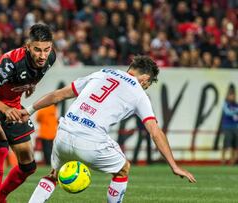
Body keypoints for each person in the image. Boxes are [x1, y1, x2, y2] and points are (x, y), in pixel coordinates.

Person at [21, 56, 196, 203]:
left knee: (53, 175)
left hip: (64, 133)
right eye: (147, 84)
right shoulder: (139, 93)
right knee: (123, 168)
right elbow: (155, 131)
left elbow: (57, 95)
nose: (145, 87)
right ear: (144, 79)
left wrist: (28, 110)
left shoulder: (102, 73)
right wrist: (174, 166)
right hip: (90, 140)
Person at [0, 23, 56, 203]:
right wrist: (6, 109)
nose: (42, 55)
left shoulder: (50, 59)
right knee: (0, 146)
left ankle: (2, 196)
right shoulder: (10, 63)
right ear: (28, 46)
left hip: (12, 105)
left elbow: (32, 75)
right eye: (37, 50)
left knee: (28, 165)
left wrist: (29, 86)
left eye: (46, 49)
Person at [221, 85, 238, 165]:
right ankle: (224, 161)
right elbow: (227, 112)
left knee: (235, 145)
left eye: (233, 95)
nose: (233, 97)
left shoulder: (236, 105)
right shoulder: (226, 104)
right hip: (227, 126)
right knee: (228, 144)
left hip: (235, 126)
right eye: (231, 95)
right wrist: (236, 111)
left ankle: (233, 161)